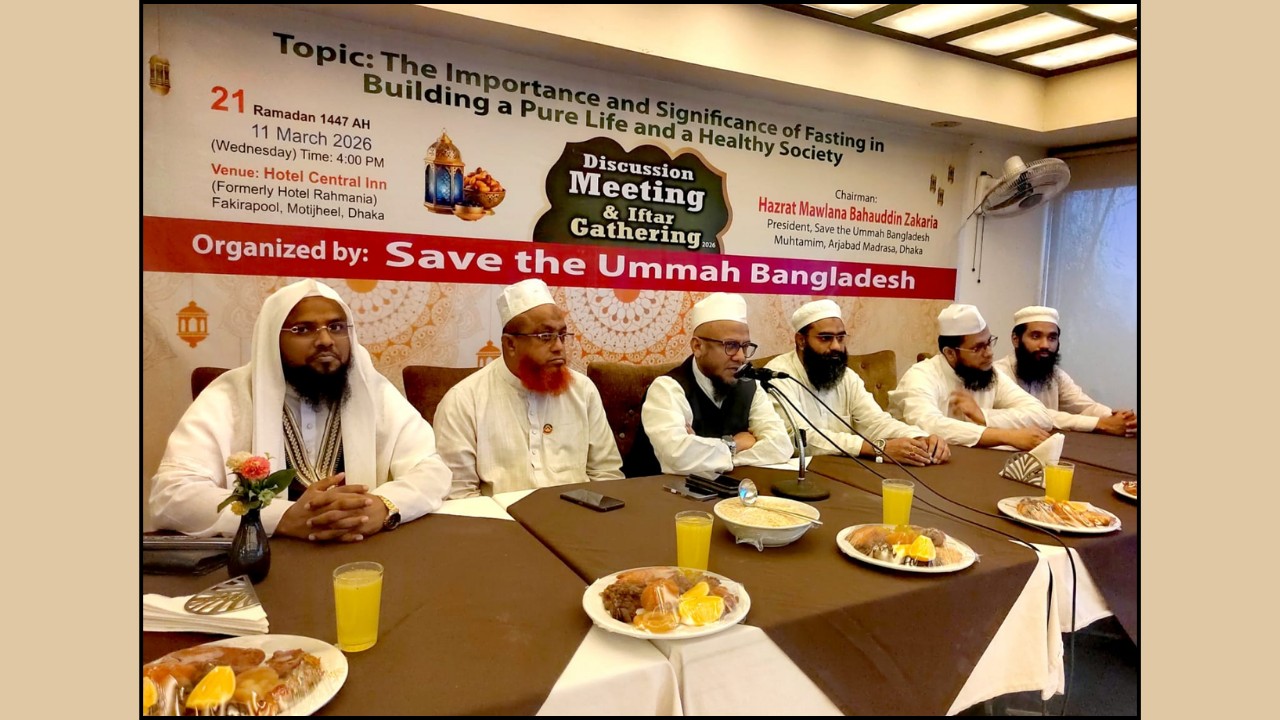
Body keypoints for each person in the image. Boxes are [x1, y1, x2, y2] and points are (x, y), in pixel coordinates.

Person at [150, 279, 451, 540]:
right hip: (269, 555)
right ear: (273, 339)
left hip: (362, 548)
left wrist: (383, 506)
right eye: (303, 329)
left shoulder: (373, 390)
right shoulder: (228, 397)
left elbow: (431, 469)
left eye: (336, 327)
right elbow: (171, 495)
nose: (325, 340)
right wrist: (280, 517)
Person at [434, 278, 623, 497]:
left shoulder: (582, 390)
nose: (559, 347)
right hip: (500, 517)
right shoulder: (463, 401)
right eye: (545, 336)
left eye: (562, 335)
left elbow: (606, 474)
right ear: (510, 344)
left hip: (579, 514)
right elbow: (459, 494)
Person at [764, 300, 950, 466]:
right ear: (801, 341)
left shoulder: (846, 376)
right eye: (825, 338)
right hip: (798, 475)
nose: (836, 346)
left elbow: (876, 422)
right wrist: (877, 448)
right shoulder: (778, 375)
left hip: (846, 470)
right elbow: (798, 437)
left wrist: (920, 438)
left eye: (840, 338)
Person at [626, 292, 792, 477]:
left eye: (745, 346)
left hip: (730, 489)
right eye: (730, 345)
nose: (740, 357)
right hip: (657, 491)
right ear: (698, 347)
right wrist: (734, 445)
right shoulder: (667, 388)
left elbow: (781, 446)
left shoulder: (750, 386)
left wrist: (713, 458)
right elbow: (678, 456)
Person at [889, 303, 1054, 450]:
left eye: (989, 342)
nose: (989, 353)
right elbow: (929, 425)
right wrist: (1006, 436)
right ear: (950, 353)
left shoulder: (990, 374)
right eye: (978, 348)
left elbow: (1041, 416)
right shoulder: (921, 376)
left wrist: (983, 416)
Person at [994, 306, 1137, 437]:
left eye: (1052, 338)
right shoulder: (998, 374)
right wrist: (1099, 424)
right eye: (1036, 336)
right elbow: (1034, 415)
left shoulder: (1055, 375)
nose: (1045, 345)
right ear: (1016, 340)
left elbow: (1085, 406)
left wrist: (1120, 419)